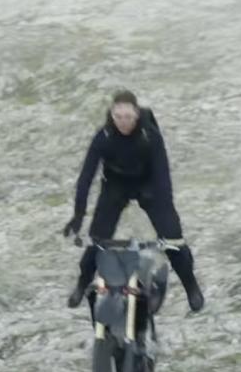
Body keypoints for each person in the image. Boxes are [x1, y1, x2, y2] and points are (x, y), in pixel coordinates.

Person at [62, 90, 205, 312]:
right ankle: (82, 284)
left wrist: (166, 213)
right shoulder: (104, 137)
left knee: (174, 240)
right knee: (97, 241)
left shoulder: (150, 136)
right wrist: (78, 214)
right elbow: (86, 177)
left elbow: (163, 177)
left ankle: (191, 286)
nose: (123, 122)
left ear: (136, 114)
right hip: (116, 185)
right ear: (112, 114)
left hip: (147, 184)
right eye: (118, 117)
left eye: (128, 117)